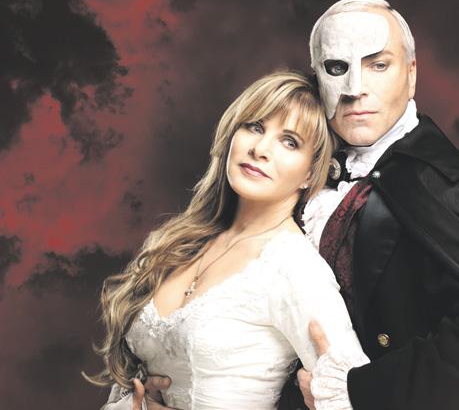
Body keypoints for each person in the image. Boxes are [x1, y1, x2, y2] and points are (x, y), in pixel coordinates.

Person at [277, 0, 459, 410]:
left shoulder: (447, 187)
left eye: (378, 65)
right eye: (337, 68)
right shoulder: (289, 169)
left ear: (412, 74)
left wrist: (357, 389)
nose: (355, 89)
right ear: (316, 78)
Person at [83, 71, 369, 410]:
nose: (260, 149)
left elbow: (353, 398)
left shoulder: (295, 269)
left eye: (290, 142)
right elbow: (126, 389)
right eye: (255, 127)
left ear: (310, 172)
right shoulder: (179, 242)